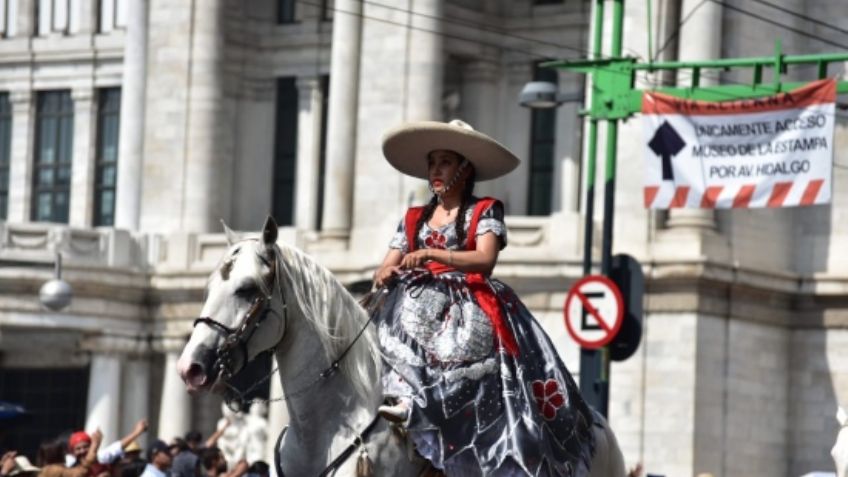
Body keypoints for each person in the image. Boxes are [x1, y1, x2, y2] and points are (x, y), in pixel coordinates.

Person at [369, 120, 596, 476]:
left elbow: (484, 260)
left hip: (467, 301)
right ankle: (395, 400)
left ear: (464, 168)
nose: (436, 170)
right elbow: (387, 263)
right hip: (414, 300)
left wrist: (433, 254)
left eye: (445, 161)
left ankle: (437, 413)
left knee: (473, 361)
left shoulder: (485, 209)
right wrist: (384, 272)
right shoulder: (413, 217)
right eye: (433, 162)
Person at [66, 419, 148, 475]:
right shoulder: (69, 466)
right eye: (78, 449)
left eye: (86, 447)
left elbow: (118, 446)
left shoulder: (102, 458)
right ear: (73, 452)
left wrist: (137, 432)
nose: (82, 451)